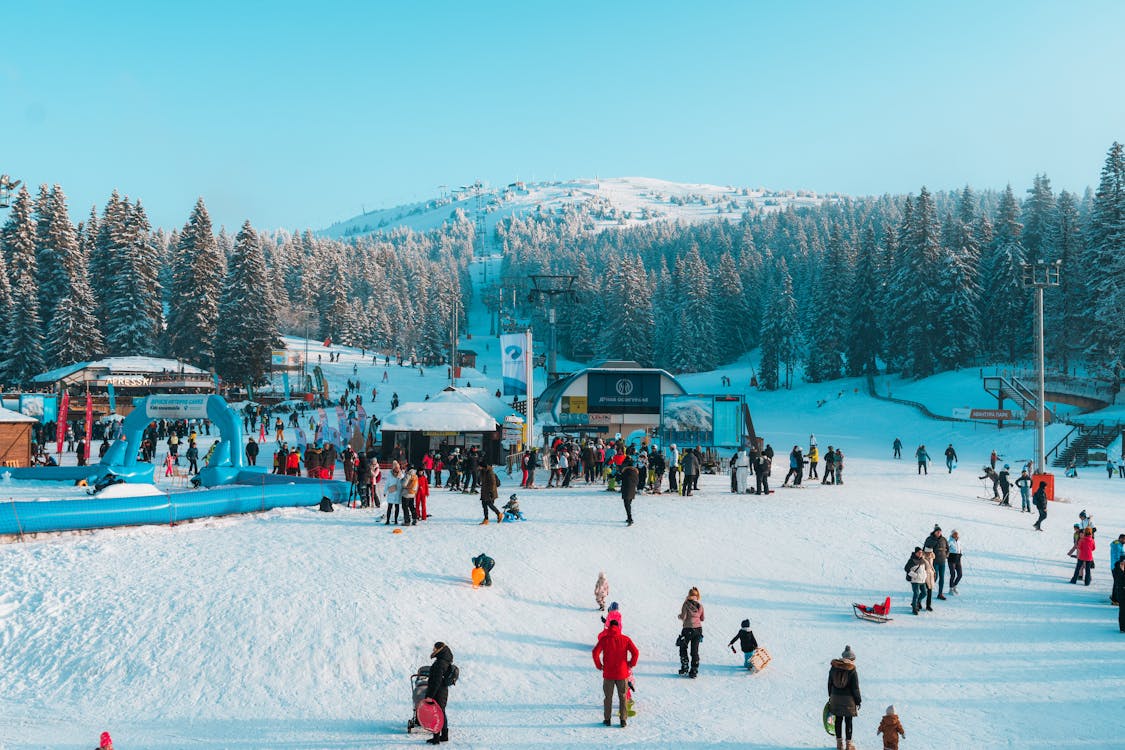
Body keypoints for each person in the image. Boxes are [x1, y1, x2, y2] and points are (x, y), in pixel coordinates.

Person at [592, 618, 639, 728]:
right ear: (618, 627)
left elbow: (595, 652)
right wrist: (631, 664)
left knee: (608, 697)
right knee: (623, 697)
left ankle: (607, 719)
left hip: (608, 673)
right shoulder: (625, 639)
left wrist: (599, 665)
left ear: (609, 627)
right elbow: (635, 652)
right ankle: (623, 720)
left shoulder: (604, 639)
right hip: (622, 673)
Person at [828, 645, 861, 750]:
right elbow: (855, 688)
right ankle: (848, 745)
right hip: (848, 700)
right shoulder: (852, 670)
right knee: (848, 721)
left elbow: (829, 683)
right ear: (851, 659)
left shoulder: (834, 667)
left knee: (838, 720)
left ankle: (839, 745)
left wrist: (831, 696)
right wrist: (858, 700)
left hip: (835, 697)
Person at [424, 642, 453, 744]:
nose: (433, 651)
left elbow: (435, 682)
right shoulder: (446, 661)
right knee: (442, 712)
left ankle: (436, 738)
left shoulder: (439, 663)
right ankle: (444, 735)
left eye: (434, 649)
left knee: (436, 714)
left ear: (439, 649)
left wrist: (429, 696)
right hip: (443, 691)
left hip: (437, 692)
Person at [676, 587, 705, 678]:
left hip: (688, 629)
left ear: (689, 595)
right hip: (698, 630)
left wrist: (679, 616)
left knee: (683, 647)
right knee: (694, 650)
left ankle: (685, 667)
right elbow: (702, 618)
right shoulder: (700, 606)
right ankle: (694, 670)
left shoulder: (686, 604)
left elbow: (683, 616)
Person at [924, 525, 949, 599]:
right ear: (934, 532)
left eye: (940, 532)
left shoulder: (943, 539)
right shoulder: (930, 539)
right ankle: (927, 589)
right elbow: (925, 549)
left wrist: (946, 555)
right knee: (935, 576)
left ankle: (940, 594)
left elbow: (947, 548)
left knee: (942, 578)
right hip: (933, 561)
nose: (939, 533)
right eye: (937, 531)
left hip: (942, 561)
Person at [905, 547, 927, 615]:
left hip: (922, 580)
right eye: (919, 552)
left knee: (924, 593)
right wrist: (915, 576)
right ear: (916, 553)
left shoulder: (923, 560)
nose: (920, 554)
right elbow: (906, 569)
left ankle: (916, 602)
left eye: (921, 552)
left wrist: (925, 576)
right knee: (916, 594)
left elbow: (924, 570)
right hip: (915, 581)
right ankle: (914, 608)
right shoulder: (912, 560)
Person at [619, 458, 638, 526]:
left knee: (627, 504)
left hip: (626, 489)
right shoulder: (635, 472)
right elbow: (637, 481)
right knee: (628, 504)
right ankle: (629, 517)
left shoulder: (625, 471)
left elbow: (619, 478)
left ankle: (630, 518)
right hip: (632, 489)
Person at [947, 529, 964, 594]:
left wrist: (960, 554)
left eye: (957, 533)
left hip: (958, 559)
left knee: (960, 574)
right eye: (954, 533)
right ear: (952, 534)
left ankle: (954, 586)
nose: (956, 534)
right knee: (953, 574)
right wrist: (947, 555)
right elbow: (946, 548)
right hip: (951, 560)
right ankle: (951, 589)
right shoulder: (950, 541)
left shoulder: (959, 541)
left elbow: (960, 549)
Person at [1114, 558, 1125, 631]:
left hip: (1121, 591)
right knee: (1122, 609)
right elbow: (1119, 581)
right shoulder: (1117, 570)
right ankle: (1122, 627)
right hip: (1122, 592)